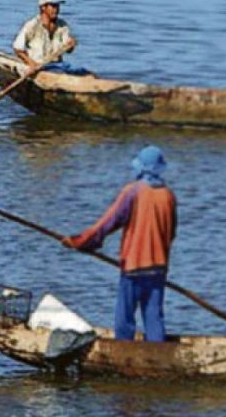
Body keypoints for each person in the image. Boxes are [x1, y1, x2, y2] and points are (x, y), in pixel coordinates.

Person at [63, 145, 178, 342]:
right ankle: (158, 352)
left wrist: (80, 241)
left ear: (142, 168)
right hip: (158, 268)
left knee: (124, 318)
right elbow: (171, 232)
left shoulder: (133, 192)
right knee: (154, 317)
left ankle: (124, 350)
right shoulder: (168, 196)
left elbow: (107, 224)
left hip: (134, 268)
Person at [13, 0, 80, 75]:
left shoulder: (62, 25)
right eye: (53, 6)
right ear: (43, 7)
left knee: (85, 73)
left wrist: (71, 46)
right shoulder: (32, 25)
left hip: (58, 65)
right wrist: (32, 64)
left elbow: (68, 50)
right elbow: (18, 49)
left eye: (57, 6)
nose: (56, 9)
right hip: (40, 66)